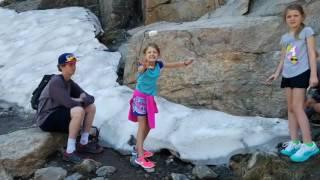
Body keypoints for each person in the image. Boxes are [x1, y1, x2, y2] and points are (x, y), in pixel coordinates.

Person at [266, 4, 319, 162]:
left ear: (302, 16)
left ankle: (309, 145)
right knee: (290, 108)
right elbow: (283, 58)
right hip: (288, 75)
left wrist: (313, 75)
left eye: (296, 15)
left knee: (297, 107)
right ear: (285, 19)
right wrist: (276, 73)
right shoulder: (285, 38)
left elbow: (311, 54)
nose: (292, 19)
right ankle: (295, 142)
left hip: (301, 73)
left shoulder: (306, 32)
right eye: (289, 16)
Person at [128, 43, 193, 169]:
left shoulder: (159, 64)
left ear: (158, 54)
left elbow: (171, 65)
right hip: (140, 98)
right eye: (149, 52)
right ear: (145, 55)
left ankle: (137, 148)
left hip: (149, 98)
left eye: (154, 52)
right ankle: (139, 157)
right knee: (142, 126)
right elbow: (140, 70)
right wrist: (144, 66)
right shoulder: (144, 66)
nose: (152, 54)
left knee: (148, 126)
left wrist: (184, 63)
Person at [36, 53, 103, 164]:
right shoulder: (56, 82)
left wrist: (81, 99)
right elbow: (68, 103)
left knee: (91, 107)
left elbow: (90, 98)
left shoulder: (69, 82)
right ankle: (69, 151)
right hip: (46, 119)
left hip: (59, 115)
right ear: (61, 66)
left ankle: (83, 143)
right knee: (79, 110)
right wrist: (80, 100)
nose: (73, 66)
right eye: (70, 64)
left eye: (74, 64)